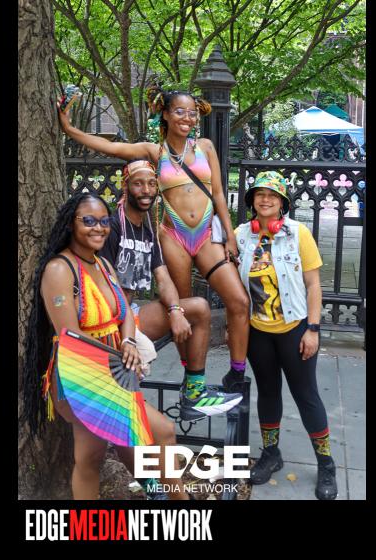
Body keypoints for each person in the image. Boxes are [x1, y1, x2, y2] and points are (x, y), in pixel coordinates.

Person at [57, 85, 251, 409]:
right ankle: (192, 382)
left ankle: (237, 373)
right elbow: (111, 146)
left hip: (206, 234)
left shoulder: (205, 147)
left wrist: (229, 234)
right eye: (180, 111)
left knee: (239, 300)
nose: (187, 118)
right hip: (174, 236)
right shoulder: (154, 151)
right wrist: (70, 129)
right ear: (166, 114)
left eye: (192, 113)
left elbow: (218, 193)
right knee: (184, 310)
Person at [22, 191, 190, 500]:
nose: (98, 228)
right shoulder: (60, 269)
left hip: (114, 369)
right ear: (71, 224)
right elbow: (70, 335)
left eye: (104, 221)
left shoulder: (103, 266)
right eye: (88, 221)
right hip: (81, 374)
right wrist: (119, 356)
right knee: (159, 432)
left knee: (97, 453)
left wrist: (127, 341)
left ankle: (157, 494)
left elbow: (124, 313)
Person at [98, 158, 242, 421]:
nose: (146, 190)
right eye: (138, 184)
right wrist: (128, 334)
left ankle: (193, 395)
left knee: (198, 308)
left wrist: (175, 310)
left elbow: (163, 278)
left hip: (132, 314)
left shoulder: (147, 230)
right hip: (108, 320)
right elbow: (105, 285)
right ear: (125, 187)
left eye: (152, 184)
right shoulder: (112, 227)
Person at [233, 171, 338, 500]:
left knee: (306, 395)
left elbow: (313, 285)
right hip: (258, 333)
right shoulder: (240, 236)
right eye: (260, 194)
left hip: (295, 329)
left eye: (273, 195)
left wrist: (313, 329)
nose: (265, 200)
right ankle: (271, 454)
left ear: (282, 203)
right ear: (252, 201)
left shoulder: (298, 234)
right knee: (267, 393)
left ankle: (326, 464)